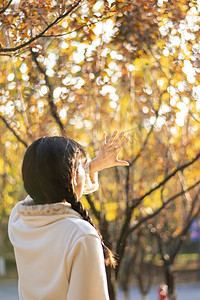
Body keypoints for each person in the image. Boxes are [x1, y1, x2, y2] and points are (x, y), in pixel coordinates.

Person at [8, 129, 130, 300]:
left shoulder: (18, 220)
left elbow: (42, 188)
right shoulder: (81, 235)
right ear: (73, 177)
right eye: (82, 165)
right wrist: (91, 166)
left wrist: (87, 168)